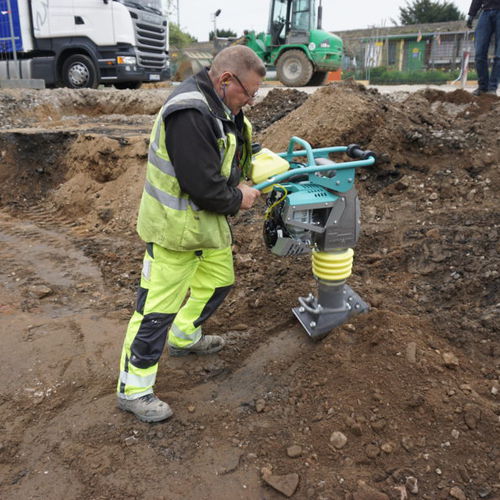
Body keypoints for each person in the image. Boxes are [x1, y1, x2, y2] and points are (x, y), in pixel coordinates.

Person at [116, 46, 265, 422]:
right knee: (154, 312)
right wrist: (240, 197)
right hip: (173, 230)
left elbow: (228, 151)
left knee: (218, 281)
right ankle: (134, 390)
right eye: (249, 92)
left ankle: (184, 338)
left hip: (203, 226)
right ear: (226, 80)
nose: (251, 100)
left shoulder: (222, 106)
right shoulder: (190, 113)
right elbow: (204, 187)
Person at [466, 0, 500, 95]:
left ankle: (492, 88)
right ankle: (483, 87)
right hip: (485, 12)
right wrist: (471, 14)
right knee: (479, 53)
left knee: (499, 55)